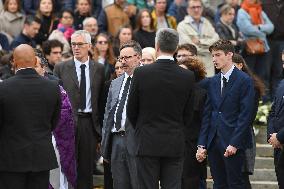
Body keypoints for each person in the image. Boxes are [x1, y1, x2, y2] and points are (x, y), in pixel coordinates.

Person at [127, 28, 195, 189]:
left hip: (147, 141)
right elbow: (189, 113)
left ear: (157, 46)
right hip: (174, 141)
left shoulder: (141, 73)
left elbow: (131, 110)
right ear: (176, 47)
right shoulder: (187, 76)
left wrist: (144, 128)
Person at [0, 44, 61, 189]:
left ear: (14, 62)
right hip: (40, 158)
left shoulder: (3, 89)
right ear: (35, 61)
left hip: (11, 159)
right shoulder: (53, 88)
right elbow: (54, 122)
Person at [196, 39, 255, 189]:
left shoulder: (245, 80)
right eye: (212, 56)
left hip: (234, 143)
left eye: (217, 55)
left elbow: (245, 115)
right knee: (219, 184)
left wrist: (235, 143)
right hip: (214, 142)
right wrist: (202, 144)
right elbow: (208, 115)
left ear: (229, 55)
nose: (214, 59)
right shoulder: (213, 81)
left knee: (235, 184)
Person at [54, 30, 105, 189]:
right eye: (73, 44)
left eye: (80, 44)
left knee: (86, 169)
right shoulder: (61, 67)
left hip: (89, 124)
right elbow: (57, 98)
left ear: (89, 46)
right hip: (67, 123)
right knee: (66, 167)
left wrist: (100, 130)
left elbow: (101, 100)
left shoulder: (100, 69)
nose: (76, 47)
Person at [101, 40, 142, 189]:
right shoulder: (116, 83)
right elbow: (107, 116)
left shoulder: (145, 79)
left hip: (137, 141)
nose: (123, 62)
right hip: (116, 141)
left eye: (127, 58)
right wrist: (106, 146)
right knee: (120, 184)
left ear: (138, 57)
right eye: (121, 58)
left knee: (138, 184)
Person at [34, 51, 76, 189]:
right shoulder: (17, 86)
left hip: (53, 139)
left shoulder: (55, 86)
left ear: (43, 67)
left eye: (36, 66)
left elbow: (65, 114)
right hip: (28, 143)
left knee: (55, 179)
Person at [232, 53, 265, 189]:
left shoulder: (250, 85)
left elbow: (248, 115)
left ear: (240, 65)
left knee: (241, 177)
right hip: (228, 133)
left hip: (241, 135)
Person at [177, 57, 207, 189]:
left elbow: (205, 122)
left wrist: (202, 146)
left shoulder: (201, 94)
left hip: (192, 147)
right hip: (173, 144)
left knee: (191, 182)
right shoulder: (172, 92)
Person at [237, 0, 274, 101]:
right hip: (249, 49)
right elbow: (246, 29)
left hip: (264, 48)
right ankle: (250, 101)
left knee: (264, 76)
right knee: (250, 76)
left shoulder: (260, 10)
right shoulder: (242, 11)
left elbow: (271, 27)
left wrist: (258, 27)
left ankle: (264, 102)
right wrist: (262, 33)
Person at [177, 0, 219, 77]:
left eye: (198, 7)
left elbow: (216, 40)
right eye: (193, 7)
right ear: (188, 10)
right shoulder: (182, 26)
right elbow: (188, 49)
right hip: (192, 68)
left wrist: (200, 41)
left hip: (209, 68)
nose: (196, 10)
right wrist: (209, 48)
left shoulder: (207, 23)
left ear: (202, 9)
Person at [262, 0, 284, 100]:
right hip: (267, 41)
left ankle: (277, 99)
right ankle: (265, 100)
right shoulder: (265, 3)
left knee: (279, 71)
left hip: (281, 41)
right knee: (265, 71)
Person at [267, 79, 284, 189]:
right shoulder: (281, 83)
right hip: (279, 147)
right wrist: (272, 135)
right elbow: (273, 112)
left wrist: (279, 137)